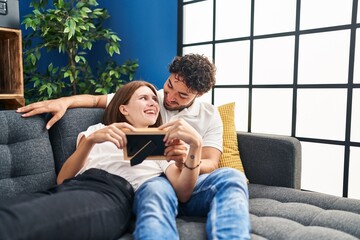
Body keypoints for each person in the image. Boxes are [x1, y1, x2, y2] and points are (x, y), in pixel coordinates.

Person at [17, 54, 251, 239]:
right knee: (155, 191)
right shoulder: (150, 97)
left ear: (197, 95)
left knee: (231, 177)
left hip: (184, 169)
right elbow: (97, 101)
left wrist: (187, 156)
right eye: (169, 86)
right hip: (154, 179)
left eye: (182, 95)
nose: (168, 98)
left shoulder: (208, 116)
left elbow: (211, 162)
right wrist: (64, 101)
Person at [1, 80, 202, 240]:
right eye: (143, 98)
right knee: (13, 208)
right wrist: (90, 141)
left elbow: (183, 193)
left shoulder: (160, 142)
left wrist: (194, 148)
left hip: (112, 195)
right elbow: (63, 179)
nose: (152, 102)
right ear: (124, 109)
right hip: (73, 186)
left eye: (153, 99)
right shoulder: (96, 131)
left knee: (18, 222)